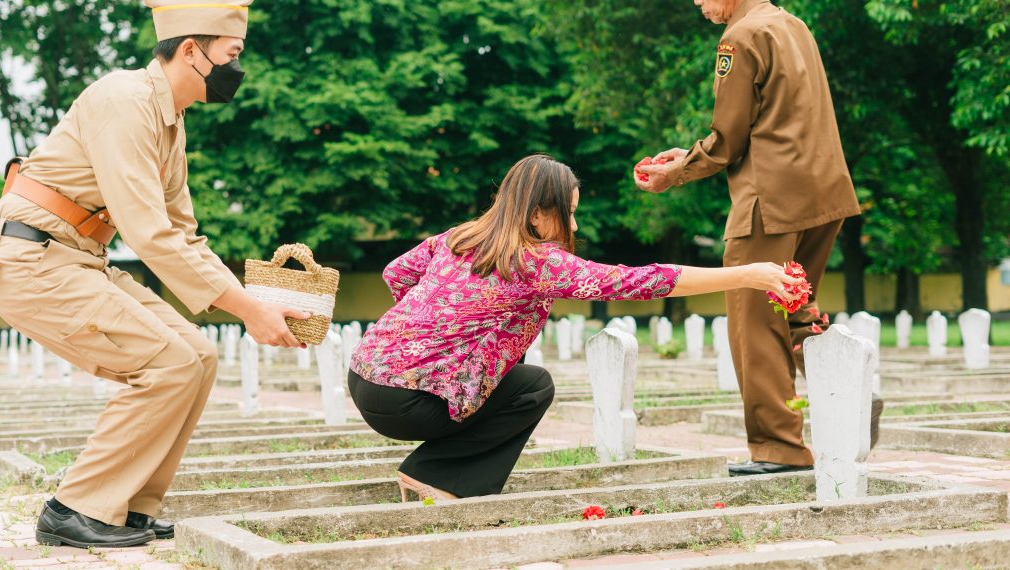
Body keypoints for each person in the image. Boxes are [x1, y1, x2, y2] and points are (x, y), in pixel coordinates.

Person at [0, 0, 308, 548]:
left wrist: (250, 300)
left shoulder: (171, 124)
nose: (238, 68)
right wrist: (248, 311)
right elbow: (148, 234)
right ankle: (72, 508)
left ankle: (124, 506)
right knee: (169, 361)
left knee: (197, 356)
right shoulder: (125, 100)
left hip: (79, 260)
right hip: (32, 260)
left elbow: (184, 234)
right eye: (233, 53)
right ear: (192, 51)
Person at [348, 154, 806, 501]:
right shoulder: (534, 259)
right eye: (568, 212)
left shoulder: (459, 236)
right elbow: (638, 281)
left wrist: (425, 338)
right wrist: (748, 274)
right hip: (410, 404)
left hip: (363, 380)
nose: (575, 223)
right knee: (532, 386)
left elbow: (396, 273)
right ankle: (436, 476)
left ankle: (434, 472)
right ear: (535, 216)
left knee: (511, 370)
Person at [635, 0, 880, 477]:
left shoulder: (739, 37)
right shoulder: (793, 26)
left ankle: (778, 448)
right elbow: (774, 121)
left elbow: (729, 139)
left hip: (770, 201)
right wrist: (687, 155)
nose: (698, 4)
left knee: (752, 320)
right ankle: (852, 393)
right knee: (792, 310)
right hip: (822, 192)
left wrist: (675, 174)